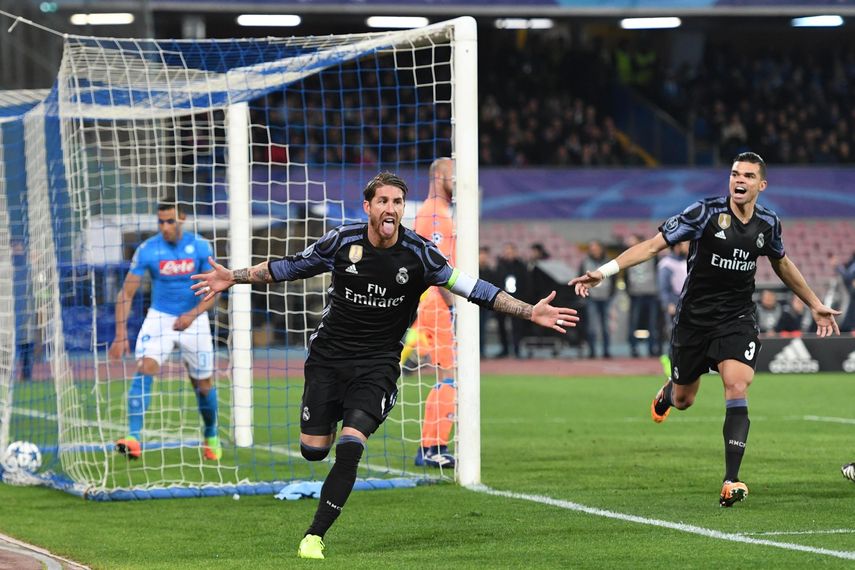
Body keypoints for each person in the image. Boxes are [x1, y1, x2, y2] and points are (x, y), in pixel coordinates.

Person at [191, 171, 579, 560]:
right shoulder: (341, 241)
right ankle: (333, 418)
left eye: (397, 202)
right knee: (313, 451)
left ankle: (314, 536)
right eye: (383, 201)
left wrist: (529, 312)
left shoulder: (421, 253)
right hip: (328, 360)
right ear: (368, 207)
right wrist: (234, 277)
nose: (390, 209)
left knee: (350, 447)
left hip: (377, 364)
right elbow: (287, 267)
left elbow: (473, 289)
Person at [570, 152, 840, 507]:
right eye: (733, 174)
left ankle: (732, 479)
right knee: (685, 400)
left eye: (746, 175)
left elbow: (782, 264)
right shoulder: (704, 213)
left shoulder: (768, 223)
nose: (738, 180)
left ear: (761, 185)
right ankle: (668, 393)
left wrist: (814, 303)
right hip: (693, 322)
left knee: (737, 384)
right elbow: (653, 245)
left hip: (737, 319)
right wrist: (603, 271)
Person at [108, 202, 221, 461]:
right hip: (159, 318)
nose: (164, 227)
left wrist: (191, 315)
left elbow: (214, 290)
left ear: (183, 219)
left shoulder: (202, 247)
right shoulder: (148, 250)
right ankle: (134, 438)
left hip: (195, 319)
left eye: (170, 221)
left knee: (203, 385)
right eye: (160, 221)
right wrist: (120, 334)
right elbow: (126, 292)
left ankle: (211, 433)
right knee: (145, 366)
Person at [398, 157, 458, 468]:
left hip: (435, 303)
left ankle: (413, 350)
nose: (457, 180)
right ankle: (432, 447)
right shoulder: (434, 215)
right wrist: (453, 307)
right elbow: (438, 269)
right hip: (438, 302)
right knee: (450, 374)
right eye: (453, 174)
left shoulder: (441, 213)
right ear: (439, 176)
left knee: (450, 374)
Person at [623, 234, 660, 357]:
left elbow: (658, 272)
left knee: (652, 324)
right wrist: (629, 291)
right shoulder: (627, 256)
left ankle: (653, 349)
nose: (629, 245)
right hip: (635, 295)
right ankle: (633, 349)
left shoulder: (652, 255)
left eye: (632, 242)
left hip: (651, 294)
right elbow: (624, 275)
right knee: (633, 323)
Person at [578, 240, 614, 358]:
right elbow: (580, 278)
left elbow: (614, 279)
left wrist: (611, 294)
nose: (594, 250)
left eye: (596, 248)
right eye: (592, 248)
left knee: (606, 327)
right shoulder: (585, 262)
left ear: (601, 248)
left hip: (606, 297)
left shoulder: (608, 262)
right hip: (591, 298)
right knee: (592, 326)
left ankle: (606, 351)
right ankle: (592, 351)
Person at [494, 242, 529, 358]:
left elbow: (526, 283)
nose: (508, 253)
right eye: (506, 251)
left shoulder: (521, 266)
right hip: (502, 300)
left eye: (510, 251)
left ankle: (517, 349)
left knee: (517, 325)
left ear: (515, 252)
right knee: (501, 325)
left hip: (517, 300)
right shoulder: (500, 265)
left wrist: (523, 299)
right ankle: (504, 349)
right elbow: (496, 281)